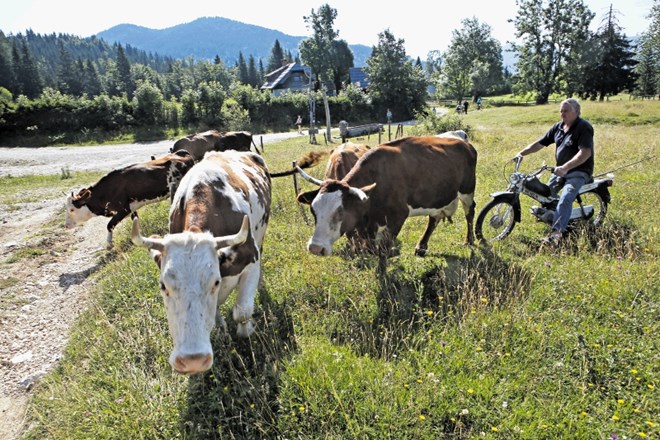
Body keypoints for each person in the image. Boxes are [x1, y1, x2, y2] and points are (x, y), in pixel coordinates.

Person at [514, 98, 594, 246]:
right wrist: (521, 153)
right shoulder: (558, 127)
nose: (563, 114)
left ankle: (556, 235)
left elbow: (585, 153)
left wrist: (566, 167)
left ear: (576, 111)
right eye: (561, 111)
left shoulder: (584, 127)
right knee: (545, 194)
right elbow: (540, 143)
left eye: (566, 111)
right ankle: (553, 215)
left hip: (579, 171)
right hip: (560, 171)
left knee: (566, 198)